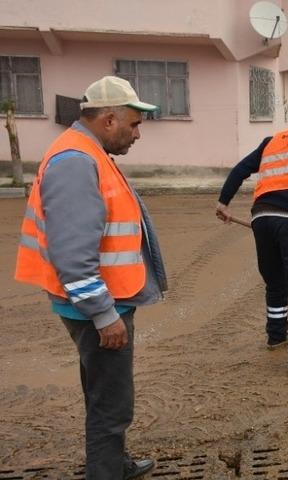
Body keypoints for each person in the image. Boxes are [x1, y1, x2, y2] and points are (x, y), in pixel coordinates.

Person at [15, 76, 168, 479]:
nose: (138, 133)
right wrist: (104, 314)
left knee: (104, 394)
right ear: (109, 118)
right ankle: (106, 471)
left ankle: (114, 463)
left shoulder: (87, 153)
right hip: (97, 306)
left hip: (104, 299)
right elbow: (72, 254)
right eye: (133, 124)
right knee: (112, 405)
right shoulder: (76, 162)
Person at [216, 110, 288, 376]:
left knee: (275, 281)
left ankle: (276, 335)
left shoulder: (272, 140)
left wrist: (223, 202)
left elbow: (241, 170)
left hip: (261, 218)